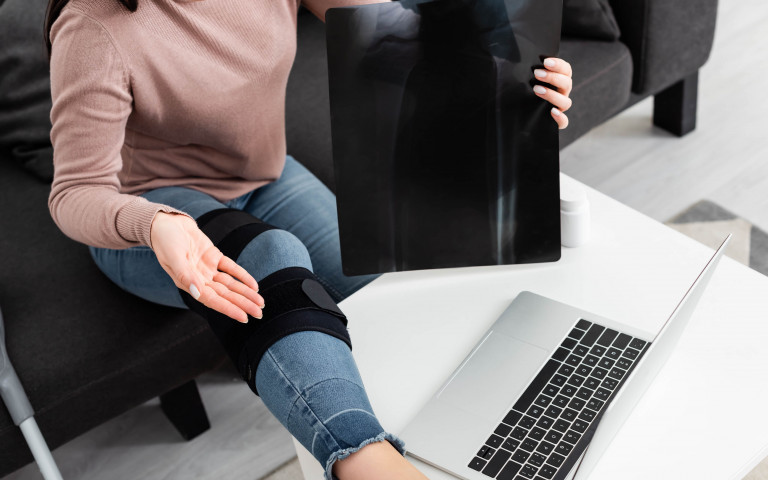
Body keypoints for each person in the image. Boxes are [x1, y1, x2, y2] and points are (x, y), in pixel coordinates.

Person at [44, 0, 573, 478]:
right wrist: (155, 224)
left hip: (265, 178)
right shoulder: (94, 27)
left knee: (386, 289)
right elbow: (74, 194)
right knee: (274, 256)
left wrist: (519, 79)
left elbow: (401, 33)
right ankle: (366, 464)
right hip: (145, 216)